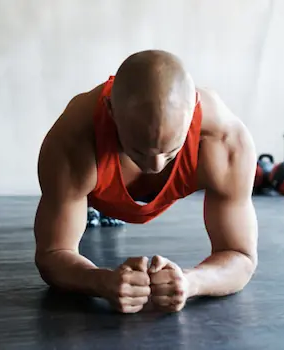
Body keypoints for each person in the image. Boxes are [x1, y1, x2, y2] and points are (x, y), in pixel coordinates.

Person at [33, 50, 258, 314]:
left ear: (193, 108)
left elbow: (241, 256)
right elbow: (52, 253)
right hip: (92, 181)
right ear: (111, 112)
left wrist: (189, 282)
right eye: (139, 151)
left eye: (171, 151)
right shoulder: (73, 139)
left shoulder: (225, 140)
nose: (155, 166)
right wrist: (100, 281)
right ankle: (95, 208)